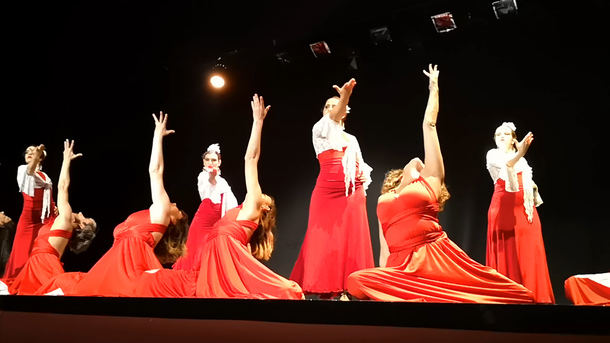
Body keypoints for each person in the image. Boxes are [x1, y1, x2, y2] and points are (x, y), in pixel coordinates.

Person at [347, 65, 535, 303]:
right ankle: (411, 298)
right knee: (356, 279)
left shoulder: (430, 181)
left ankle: (425, 298)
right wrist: (383, 286)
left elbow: (429, 125)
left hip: (435, 258)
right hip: (400, 271)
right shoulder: (384, 198)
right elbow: (385, 245)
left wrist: (433, 89)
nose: (420, 162)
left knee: (518, 296)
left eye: (425, 164)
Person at [66, 112, 190, 296]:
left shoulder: (161, 210)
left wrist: (157, 136)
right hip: (112, 264)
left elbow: (155, 171)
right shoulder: (152, 213)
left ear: (173, 221)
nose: (175, 203)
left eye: (178, 210)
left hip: (129, 270)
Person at [195, 94, 303, 299]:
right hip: (214, 251)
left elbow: (250, 158)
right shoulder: (240, 210)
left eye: (265, 197)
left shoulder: (252, 207)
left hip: (221, 250)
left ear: (265, 208)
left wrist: (257, 122)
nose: (259, 193)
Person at [290, 78, 374, 298]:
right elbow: (333, 117)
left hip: (352, 193)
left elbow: (361, 165)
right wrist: (345, 96)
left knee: (352, 239)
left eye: (334, 106)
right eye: (327, 106)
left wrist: (360, 185)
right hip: (327, 193)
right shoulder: (320, 128)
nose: (330, 109)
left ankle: (349, 290)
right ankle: (325, 290)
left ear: (345, 112)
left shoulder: (352, 139)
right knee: (324, 240)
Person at [8, 139, 97, 295]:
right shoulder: (59, 221)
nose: (82, 213)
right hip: (35, 265)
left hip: (43, 266)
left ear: (82, 226)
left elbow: (63, 186)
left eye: (86, 218)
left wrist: (66, 160)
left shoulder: (66, 219)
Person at [486, 122, 555, 303]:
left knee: (530, 252)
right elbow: (508, 164)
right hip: (503, 210)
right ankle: (510, 299)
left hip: (525, 211)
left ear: (513, 139)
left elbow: (527, 183)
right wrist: (520, 152)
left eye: (506, 134)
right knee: (507, 253)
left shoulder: (522, 161)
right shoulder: (493, 154)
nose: (501, 136)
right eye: (498, 133)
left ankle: (537, 298)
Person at [173, 143, 238, 271]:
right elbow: (210, 180)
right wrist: (212, 175)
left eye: (213, 160)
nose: (210, 162)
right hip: (203, 221)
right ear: (203, 161)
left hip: (216, 222)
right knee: (197, 251)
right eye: (207, 160)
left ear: (219, 162)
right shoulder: (203, 176)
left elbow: (230, 201)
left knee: (210, 253)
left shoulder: (223, 181)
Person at [3, 144, 56, 281]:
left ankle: (34, 280)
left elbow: (48, 196)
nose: (29, 153)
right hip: (29, 220)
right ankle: (15, 280)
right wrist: (36, 156)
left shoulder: (45, 176)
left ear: (42, 158)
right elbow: (30, 171)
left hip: (45, 219)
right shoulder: (23, 169)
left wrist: (54, 208)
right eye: (28, 151)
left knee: (39, 251)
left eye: (34, 151)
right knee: (22, 252)